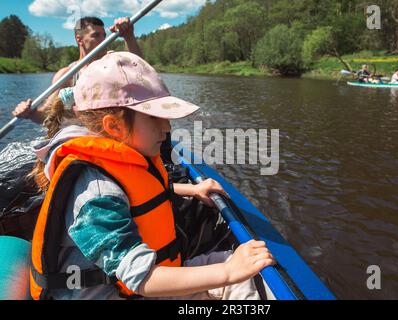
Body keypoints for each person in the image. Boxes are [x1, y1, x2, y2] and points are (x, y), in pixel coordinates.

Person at [29, 51, 274, 300]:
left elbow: (141, 194)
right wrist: (227, 272)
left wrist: (191, 190)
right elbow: (140, 277)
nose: (167, 127)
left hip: (138, 286)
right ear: (114, 126)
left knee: (247, 271)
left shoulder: (124, 158)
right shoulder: (96, 194)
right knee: (236, 271)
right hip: (125, 292)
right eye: (154, 118)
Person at [12, 16, 142, 123]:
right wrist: (30, 113)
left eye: (104, 35)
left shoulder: (114, 61)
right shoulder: (67, 75)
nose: (104, 40)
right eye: (96, 35)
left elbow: (140, 70)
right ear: (79, 39)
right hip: (82, 138)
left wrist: (129, 37)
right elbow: (47, 114)